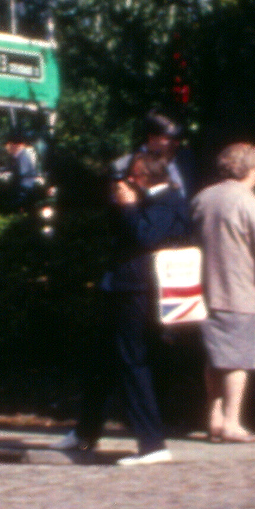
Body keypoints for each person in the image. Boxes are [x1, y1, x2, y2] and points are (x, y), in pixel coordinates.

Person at [70, 115, 194, 467]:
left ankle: (152, 444)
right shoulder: (155, 200)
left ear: (143, 177)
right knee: (104, 359)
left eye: (132, 176)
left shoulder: (168, 201)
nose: (126, 180)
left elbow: (144, 237)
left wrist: (127, 207)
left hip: (138, 289)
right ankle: (85, 432)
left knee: (133, 362)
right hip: (124, 286)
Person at [194, 140, 255, 443]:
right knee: (237, 360)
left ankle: (214, 418)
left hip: (203, 292)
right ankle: (232, 423)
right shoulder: (253, 206)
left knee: (215, 358)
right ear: (252, 171)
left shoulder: (201, 199)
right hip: (239, 292)